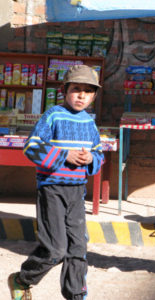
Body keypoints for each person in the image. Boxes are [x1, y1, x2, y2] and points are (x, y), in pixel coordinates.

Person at [8, 65, 104, 299]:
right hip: (52, 189)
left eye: (88, 91)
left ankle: (76, 295)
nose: (82, 95)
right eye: (76, 89)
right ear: (64, 90)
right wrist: (64, 155)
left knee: (78, 249)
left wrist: (91, 158)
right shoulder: (52, 115)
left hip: (77, 193)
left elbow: (98, 154)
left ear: (94, 95)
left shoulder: (90, 123)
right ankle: (22, 279)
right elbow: (31, 147)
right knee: (55, 249)